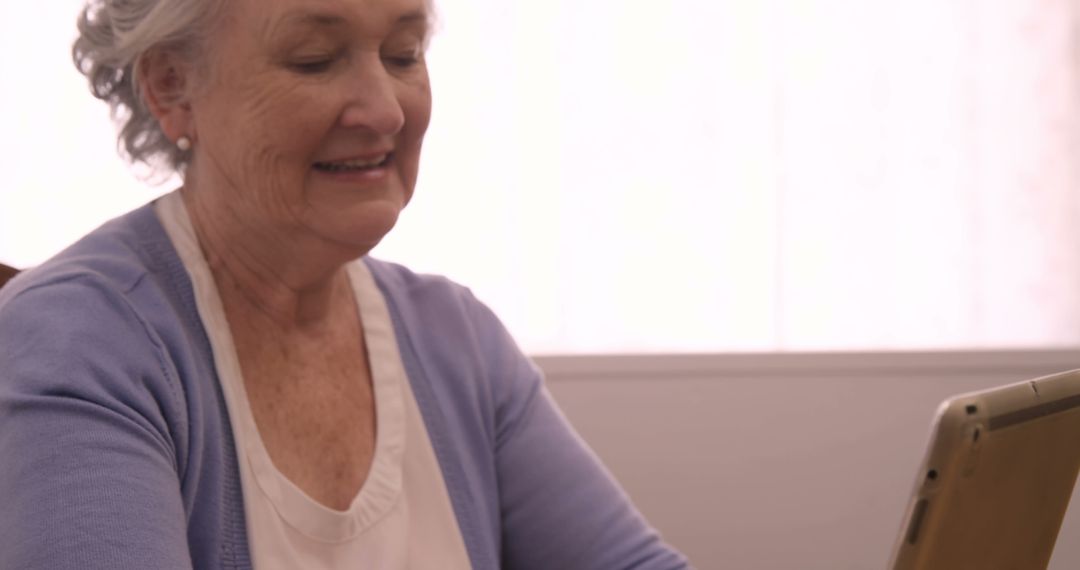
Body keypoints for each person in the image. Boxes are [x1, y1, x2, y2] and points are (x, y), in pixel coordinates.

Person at [0, 0, 689, 568]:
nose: (386, 111)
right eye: (316, 60)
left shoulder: (456, 340)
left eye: (403, 54)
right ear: (173, 89)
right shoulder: (80, 346)